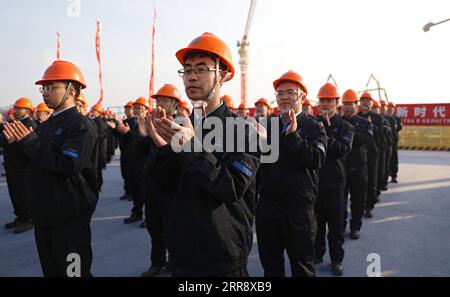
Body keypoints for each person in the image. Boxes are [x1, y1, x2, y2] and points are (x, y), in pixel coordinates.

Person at [146, 32, 260, 276]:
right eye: (187, 70)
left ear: (223, 75)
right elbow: (161, 187)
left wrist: (190, 147)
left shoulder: (244, 131)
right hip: (180, 256)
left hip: (222, 260)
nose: (192, 76)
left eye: (201, 68)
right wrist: (163, 150)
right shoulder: (178, 125)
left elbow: (229, 188)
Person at [2, 60, 99, 276]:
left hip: (69, 222)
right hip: (46, 217)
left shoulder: (81, 125)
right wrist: (18, 146)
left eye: (52, 87)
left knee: (74, 274)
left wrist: (29, 143)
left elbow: (68, 165)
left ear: (72, 91)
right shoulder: (47, 124)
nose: (45, 93)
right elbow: (38, 161)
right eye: (43, 88)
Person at [256, 70, 327, 277]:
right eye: (280, 93)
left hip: (299, 209)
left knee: (302, 265)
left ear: (302, 97)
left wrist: (293, 135)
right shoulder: (267, 126)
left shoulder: (315, 127)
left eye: (290, 92)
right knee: (270, 265)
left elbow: (315, 160)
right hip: (268, 207)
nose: (284, 97)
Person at [139, 84, 182, 277]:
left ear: (174, 103)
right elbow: (138, 154)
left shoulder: (181, 124)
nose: (160, 104)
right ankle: (157, 263)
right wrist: (143, 136)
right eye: (158, 100)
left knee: (172, 231)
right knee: (154, 227)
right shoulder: (151, 122)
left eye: (165, 100)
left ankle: (174, 266)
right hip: (152, 186)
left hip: (171, 188)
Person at [314, 83, 354, 276]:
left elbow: (341, 150)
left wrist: (324, 135)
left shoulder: (346, 126)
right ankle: (317, 253)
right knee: (317, 224)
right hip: (314, 183)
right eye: (323, 100)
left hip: (336, 185)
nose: (326, 104)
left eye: (330, 100)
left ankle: (336, 260)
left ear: (336, 103)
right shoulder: (311, 123)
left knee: (336, 226)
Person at [1, 98, 37, 233]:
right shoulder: (16, 123)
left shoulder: (29, 124)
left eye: (18, 108)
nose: (14, 110)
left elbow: (29, 147)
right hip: (12, 166)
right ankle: (20, 217)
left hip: (23, 168)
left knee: (23, 195)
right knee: (15, 194)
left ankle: (28, 219)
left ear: (27, 110)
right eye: (15, 108)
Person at [341, 89, 373, 240]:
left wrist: (349, 134)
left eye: (350, 104)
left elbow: (367, 140)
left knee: (358, 199)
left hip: (359, 166)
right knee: (339, 200)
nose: (347, 107)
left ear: (356, 105)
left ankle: (355, 227)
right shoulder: (337, 121)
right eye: (345, 104)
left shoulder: (364, 123)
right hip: (340, 167)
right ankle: (340, 225)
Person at [358, 92, 382, 218]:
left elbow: (380, 134)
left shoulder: (377, 117)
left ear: (372, 103)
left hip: (372, 153)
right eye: (363, 100)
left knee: (371, 181)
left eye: (367, 100)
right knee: (360, 183)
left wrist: (371, 126)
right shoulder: (356, 117)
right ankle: (360, 206)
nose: (365, 102)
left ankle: (369, 206)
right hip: (359, 155)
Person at [387, 102, 402, 183]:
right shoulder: (383, 118)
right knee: (386, 160)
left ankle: (394, 176)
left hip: (394, 143)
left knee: (394, 159)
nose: (390, 109)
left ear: (393, 109)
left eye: (391, 108)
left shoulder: (397, 119)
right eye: (388, 107)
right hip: (386, 143)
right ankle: (385, 176)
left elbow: (399, 128)